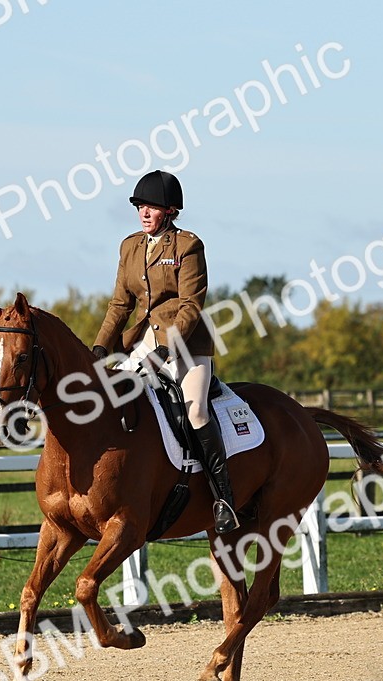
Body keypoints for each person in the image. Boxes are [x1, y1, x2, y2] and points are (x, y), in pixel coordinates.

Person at [91, 170, 239, 534]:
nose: (143, 213)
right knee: (114, 401)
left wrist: (166, 349)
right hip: (142, 341)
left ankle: (223, 499)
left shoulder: (188, 246)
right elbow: (120, 304)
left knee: (196, 410)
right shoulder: (130, 246)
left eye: (152, 207)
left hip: (186, 345)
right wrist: (99, 346)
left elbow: (191, 306)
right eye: (140, 206)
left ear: (170, 211)